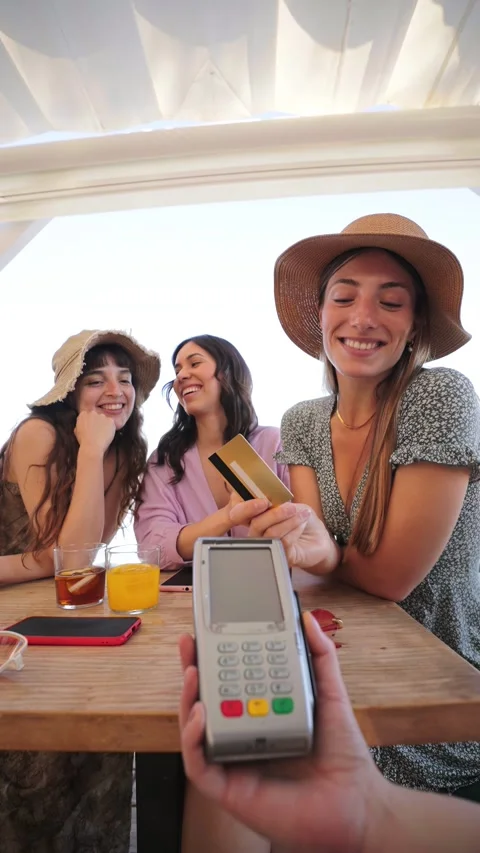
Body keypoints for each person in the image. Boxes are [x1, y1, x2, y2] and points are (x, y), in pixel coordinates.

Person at [224, 213, 480, 801]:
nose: (364, 318)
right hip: (345, 662)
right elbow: (315, 554)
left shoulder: (441, 393)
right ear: (320, 317)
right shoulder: (303, 420)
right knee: (228, 745)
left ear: (414, 326)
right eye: (345, 296)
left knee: (251, 764)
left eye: (391, 303)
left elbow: (387, 577)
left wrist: (321, 556)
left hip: (437, 691)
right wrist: (300, 545)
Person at [0, 329, 160, 853]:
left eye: (126, 379)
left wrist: (103, 452)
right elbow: (68, 554)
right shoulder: (39, 435)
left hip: (58, 605)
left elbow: (77, 556)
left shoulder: (124, 447)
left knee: (103, 739)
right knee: (35, 767)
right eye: (95, 379)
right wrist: (91, 453)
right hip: (12, 619)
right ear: (69, 392)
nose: (115, 389)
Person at [179, 613, 480, 853]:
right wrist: (364, 815)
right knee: (235, 771)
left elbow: (389, 579)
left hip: (443, 693)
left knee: (239, 769)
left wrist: (327, 555)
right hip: (388, 682)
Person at [134, 334, 289, 567]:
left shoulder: (274, 443)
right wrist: (228, 516)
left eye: (194, 363)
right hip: (193, 595)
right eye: (177, 371)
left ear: (228, 373)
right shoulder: (165, 460)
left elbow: (304, 526)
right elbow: (151, 546)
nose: (182, 376)